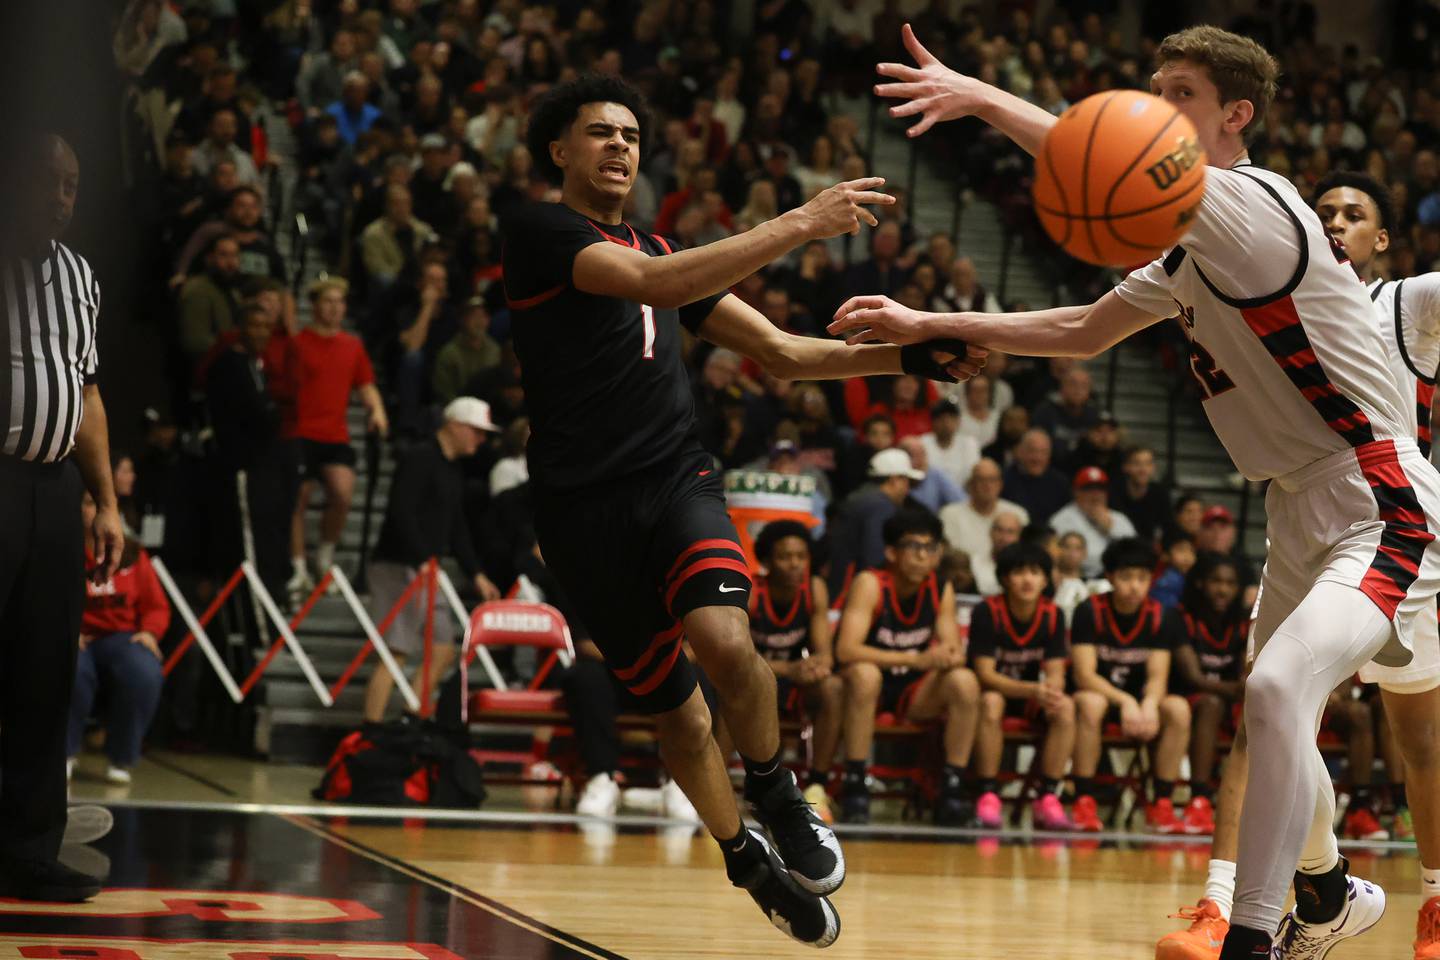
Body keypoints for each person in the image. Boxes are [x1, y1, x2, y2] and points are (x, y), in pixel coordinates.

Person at [843, 24, 1436, 956]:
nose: (1157, 108)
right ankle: (1325, 891)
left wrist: (980, 96)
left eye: (1181, 94)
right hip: (1293, 503)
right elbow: (1082, 330)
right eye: (1154, 90)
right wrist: (928, 320)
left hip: (1377, 494)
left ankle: (1254, 936)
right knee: (1271, 708)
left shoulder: (1254, 203)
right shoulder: (1190, 251)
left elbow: (1104, 153)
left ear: (1236, 115)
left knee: (1280, 688)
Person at [499, 74, 983, 947]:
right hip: (581, 515)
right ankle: (746, 862)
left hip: (674, 481)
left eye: (631, 135)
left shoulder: (662, 249)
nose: (619, 146)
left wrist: (912, 357)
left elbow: (786, 354)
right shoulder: (541, 232)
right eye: (600, 132)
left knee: (725, 640)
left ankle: (775, 789)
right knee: (680, 718)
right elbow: (651, 282)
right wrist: (802, 221)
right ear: (558, 151)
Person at [1162, 168, 1440, 959]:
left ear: (1382, 238)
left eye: (1355, 213)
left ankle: (1432, 900)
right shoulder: (1277, 293)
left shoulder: (1408, 302)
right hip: (1309, 520)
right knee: (1269, 713)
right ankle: (1231, 903)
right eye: (1325, 213)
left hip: (1395, 525)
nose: (1337, 222)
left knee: (1419, 737)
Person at [0, 133, 122, 902]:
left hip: (53, 491)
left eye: (72, 184)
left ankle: (28, 851)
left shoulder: (80, 276)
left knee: (46, 672)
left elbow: (87, 394)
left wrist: (105, 501)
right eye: (48, 181)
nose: (61, 197)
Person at [835, 509, 979, 826]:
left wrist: (950, 656)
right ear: (891, 552)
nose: (923, 556)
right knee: (865, 673)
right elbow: (846, 650)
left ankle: (952, 788)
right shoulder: (870, 583)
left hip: (915, 692)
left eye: (930, 548)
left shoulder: (940, 587)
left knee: (964, 681)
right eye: (914, 547)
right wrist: (914, 659)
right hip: (865, 690)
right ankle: (855, 784)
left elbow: (952, 647)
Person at [361, 398, 502, 722]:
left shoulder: (452, 469)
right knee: (397, 649)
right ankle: (371, 726)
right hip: (398, 565)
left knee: (442, 648)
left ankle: (412, 717)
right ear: (455, 426)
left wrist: (476, 573)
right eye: (476, 431)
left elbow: (457, 525)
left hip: (426, 568)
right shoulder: (419, 458)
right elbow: (400, 511)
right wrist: (422, 557)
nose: (481, 440)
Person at [1069, 539, 1195, 834]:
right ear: (1110, 577)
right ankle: (1083, 799)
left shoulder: (1161, 615)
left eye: (1142, 578)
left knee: (1178, 708)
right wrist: (1125, 701)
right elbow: (1084, 675)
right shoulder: (1089, 611)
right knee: (1091, 703)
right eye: (1126, 578)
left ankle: (1162, 803)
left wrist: (1148, 704)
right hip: (1104, 699)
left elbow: (1157, 677)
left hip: (1141, 704)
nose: (1134, 586)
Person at [286, 278, 389, 599]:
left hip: (334, 434)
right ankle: (297, 567)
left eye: (339, 302)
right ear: (315, 305)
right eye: (328, 301)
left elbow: (366, 385)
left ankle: (324, 558)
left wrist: (377, 410)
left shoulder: (352, 346)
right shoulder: (298, 343)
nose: (334, 308)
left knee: (342, 493)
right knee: (297, 498)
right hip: (300, 432)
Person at [967, 541, 1075, 831]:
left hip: (1029, 696)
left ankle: (1048, 796)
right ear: (1005, 578)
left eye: (1035, 573)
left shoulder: (1053, 615)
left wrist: (1051, 692)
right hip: (989, 693)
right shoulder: (987, 612)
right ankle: (988, 794)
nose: (1028, 580)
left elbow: (1055, 672)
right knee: (992, 702)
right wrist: (1033, 690)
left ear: (1045, 580)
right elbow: (985, 674)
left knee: (1065, 707)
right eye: (1019, 572)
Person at [68, 492, 169, 785]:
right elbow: (44, 599)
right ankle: (62, 753)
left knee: (144, 671)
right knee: (68, 667)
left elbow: (156, 606)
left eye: (95, 504)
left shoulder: (132, 553)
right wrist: (63, 631)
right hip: (78, 637)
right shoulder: (61, 551)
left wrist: (150, 632)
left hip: (121, 637)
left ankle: (123, 757)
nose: (90, 511)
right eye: (85, 504)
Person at [747, 521, 843, 823]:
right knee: (730, 687)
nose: (795, 564)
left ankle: (817, 784)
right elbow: (740, 658)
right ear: (767, 561)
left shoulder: (814, 588)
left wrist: (817, 666)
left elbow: (825, 652)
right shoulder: (751, 591)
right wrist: (789, 668)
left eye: (801, 556)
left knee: (832, 687)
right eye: (785, 557)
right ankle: (721, 783)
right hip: (753, 679)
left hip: (793, 680)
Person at [1172, 554, 1249, 836]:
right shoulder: (1181, 618)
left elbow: (1245, 671)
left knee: (1258, 709)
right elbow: (1194, 678)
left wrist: (1242, 686)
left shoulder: (1243, 622)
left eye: (1230, 583)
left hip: (1229, 701)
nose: (1223, 590)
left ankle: (1249, 805)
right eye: (1216, 581)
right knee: (1211, 704)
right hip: (1187, 699)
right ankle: (1199, 798)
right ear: (1201, 583)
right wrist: (1236, 688)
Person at [825, 447, 924, 597]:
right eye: (907, 481)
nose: (907, 489)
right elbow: (874, 558)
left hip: (841, 588)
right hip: (852, 594)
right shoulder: (880, 506)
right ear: (895, 480)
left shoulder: (862, 497)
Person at [1050, 466, 1139, 578]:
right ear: (1076, 492)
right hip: (1078, 578)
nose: (1096, 495)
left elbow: (1136, 553)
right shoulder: (1060, 520)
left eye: (1100, 489)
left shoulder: (1119, 519)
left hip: (1117, 579)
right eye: (1089, 489)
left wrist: (1111, 528)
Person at [939, 458, 1029, 564]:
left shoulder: (1018, 514)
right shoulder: (949, 515)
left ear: (1000, 484)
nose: (987, 485)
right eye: (981, 480)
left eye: (992, 480)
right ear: (971, 484)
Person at [432, 296, 501, 404]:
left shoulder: (495, 350)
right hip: (458, 408)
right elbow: (444, 393)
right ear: (462, 319)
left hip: (489, 409)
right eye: (474, 316)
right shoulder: (449, 353)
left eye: (484, 316)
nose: (479, 321)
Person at [1001, 428, 1071, 525]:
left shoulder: (1061, 482)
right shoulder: (1004, 480)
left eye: (1043, 452)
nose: (1037, 458)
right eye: (1032, 451)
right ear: (1020, 452)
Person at [1112, 446, 1172, 544]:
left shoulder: (1160, 493)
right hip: (1118, 546)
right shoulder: (1113, 492)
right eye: (1136, 464)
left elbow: (1168, 527)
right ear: (1125, 467)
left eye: (1148, 464)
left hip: (1148, 549)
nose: (1143, 470)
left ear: (1153, 468)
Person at [921, 396, 981, 488]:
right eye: (941, 418)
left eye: (951, 417)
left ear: (958, 421)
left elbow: (972, 476)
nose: (946, 423)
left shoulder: (969, 443)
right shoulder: (922, 443)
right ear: (933, 422)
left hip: (963, 494)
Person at [898, 436, 964, 513]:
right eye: (914, 455)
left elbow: (961, 501)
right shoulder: (895, 478)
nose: (920, 460)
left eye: (922, 454)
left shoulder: (935, 474)